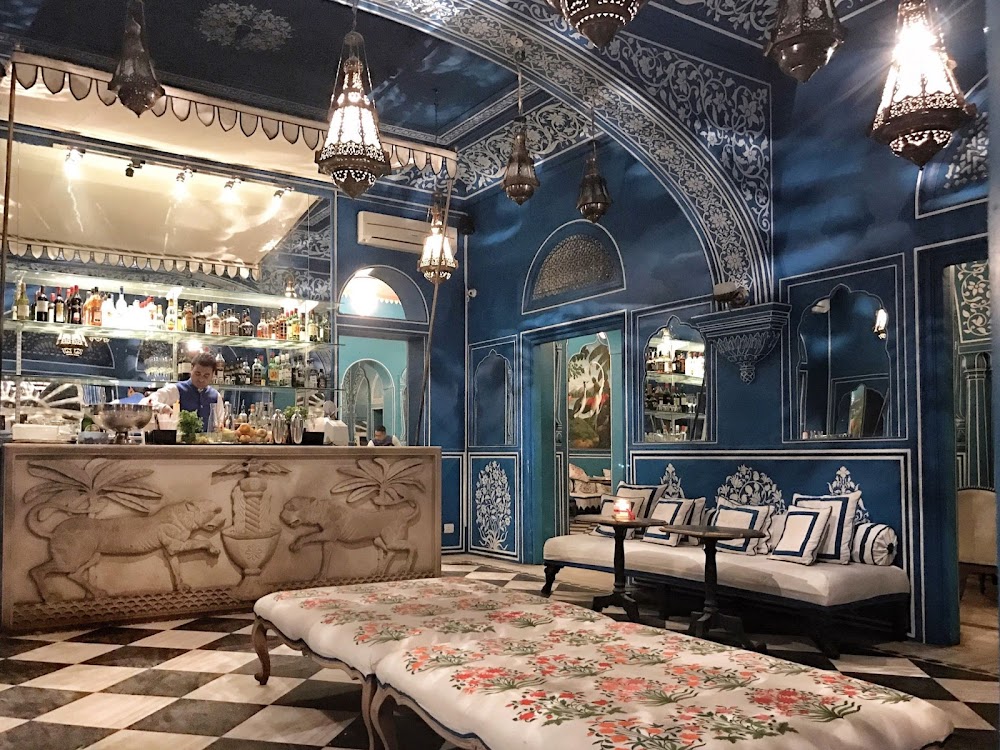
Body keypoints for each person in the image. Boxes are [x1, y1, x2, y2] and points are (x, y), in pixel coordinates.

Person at [143, 351, 223, 430]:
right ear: (191, 369)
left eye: (206, 376)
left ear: (213, 375)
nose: (201, 379)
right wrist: (162, 407)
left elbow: (221, 423)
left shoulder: (216, 396)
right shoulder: (175, 390)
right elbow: (146, 402)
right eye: (197, 374)